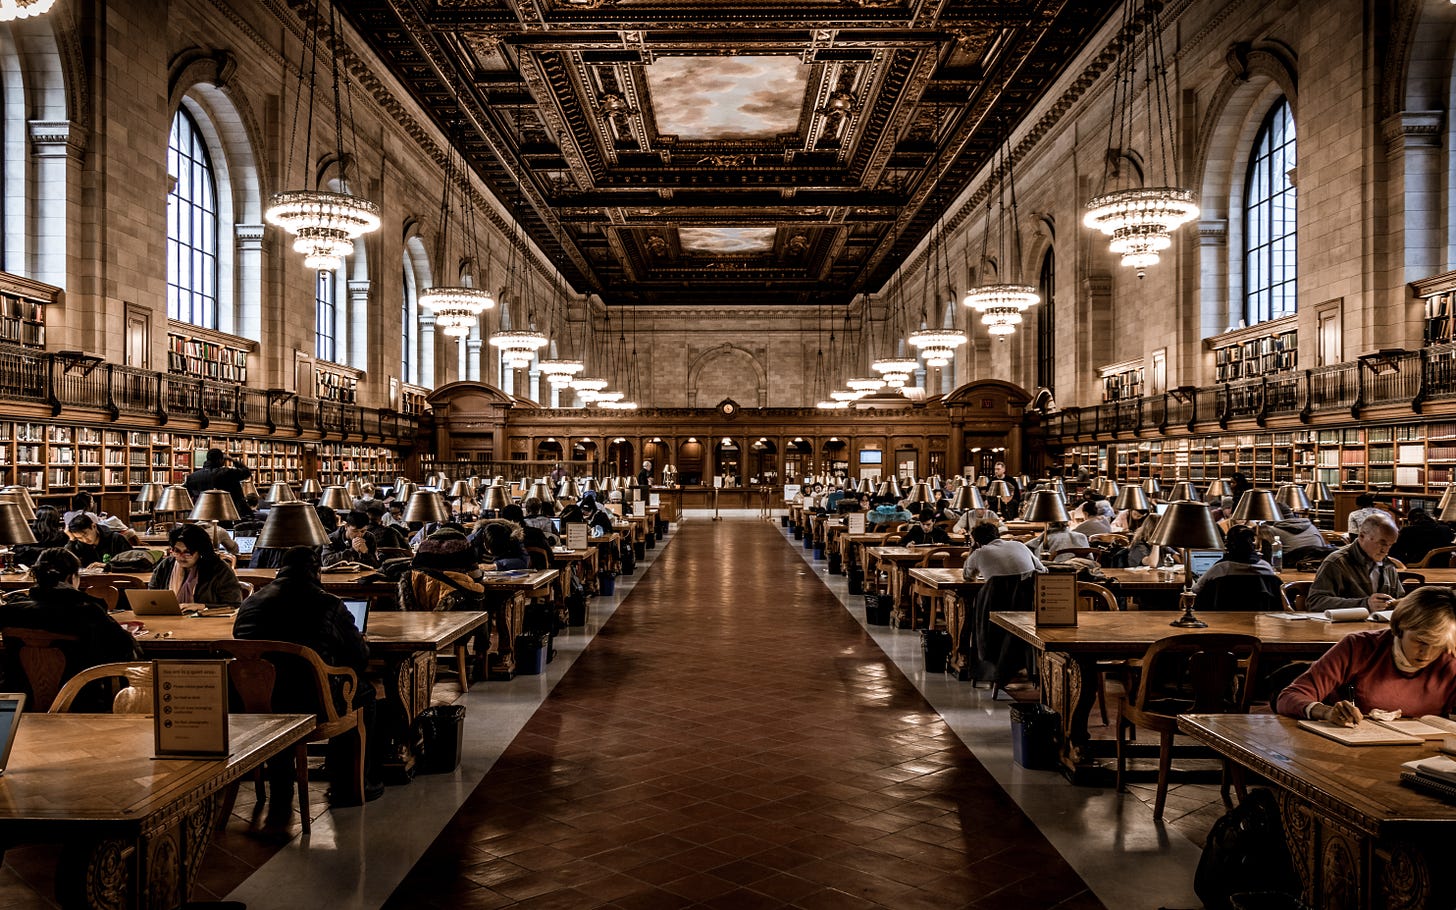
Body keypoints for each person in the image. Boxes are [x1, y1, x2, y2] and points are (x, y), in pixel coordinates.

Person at [233, 546, 383, 832]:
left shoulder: (250, 603)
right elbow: (358, 659)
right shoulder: (328, 604)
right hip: (313, 702)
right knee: (363, 694)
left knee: (285, 692)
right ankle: (349, 783)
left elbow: (242, 646)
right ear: (316, 571)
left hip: (258, 702)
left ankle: (281, 792)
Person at [1277, 585, 1456, 723]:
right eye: (1420, 642)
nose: (1427, 653)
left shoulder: (1450, 659)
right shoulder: (1358, 647)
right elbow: (1289, 697)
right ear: (1400, 627)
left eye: (1438, 645)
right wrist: (1326, 712)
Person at [0, 548, 142, 710]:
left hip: (21, 704)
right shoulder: (88, 612)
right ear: (71, 577)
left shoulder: (10, 611)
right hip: (82, 702)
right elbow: (124, 651)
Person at [1306, 512, 1404, 615]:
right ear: (1362, 536)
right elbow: (1315, 602)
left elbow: (1400, 597)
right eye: (1382, 543)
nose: (1386, 550)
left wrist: (1398, 603)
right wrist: (1365, 604)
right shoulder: (1337, 562)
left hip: (1379, 627)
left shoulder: (1388, 565)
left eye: (1390, 545)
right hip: (1343, 628)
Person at [148, 523, 243, 608]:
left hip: (207, 624)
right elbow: (152, 597)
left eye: (187, 552)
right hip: (169, 621)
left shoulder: (219, 569)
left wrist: (203, 606)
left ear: (200, 551)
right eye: (177, 551)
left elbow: (234, 604)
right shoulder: (166, 565)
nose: (181, 557)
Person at [1191, 525, 1280, 594]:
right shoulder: (1265, 567)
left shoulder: (1220, 568)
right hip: (1259, 615)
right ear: (1253, 546)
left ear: (1229, 545)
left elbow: (1195, 590)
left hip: (1222, 614)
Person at [962, 521, 1046, 580]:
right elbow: (1043, 570)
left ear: (977, 543)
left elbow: (967, 576)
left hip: (997, 601)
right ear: (998, 535)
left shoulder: (979, 553)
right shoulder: (1019, 544)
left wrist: (972, 549)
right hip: (1028, 600)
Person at [184, 447, 253, 519]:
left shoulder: (192, 477)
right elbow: (247, 472)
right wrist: (233, 460)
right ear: (220, 459)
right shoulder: (227, 473)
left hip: (201, 515)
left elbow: (187, 494)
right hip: (227, 514)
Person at [65, 513, 134, 568]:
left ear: (94, 526)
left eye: (85, 535)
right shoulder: (79, 543)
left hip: (116, 581)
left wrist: (107, 566)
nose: (85, 540)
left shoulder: (116, 539)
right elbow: (66, 563)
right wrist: (71, 540)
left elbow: (133, 563)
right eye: (79, 538)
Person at [1391, 508, 1456, 566]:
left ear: (1411, 521)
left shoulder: (1407, 530)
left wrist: (1405, 563)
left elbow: (1394, 552)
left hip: (1418, 566)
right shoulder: (1445, 529)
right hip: (1444, 565)